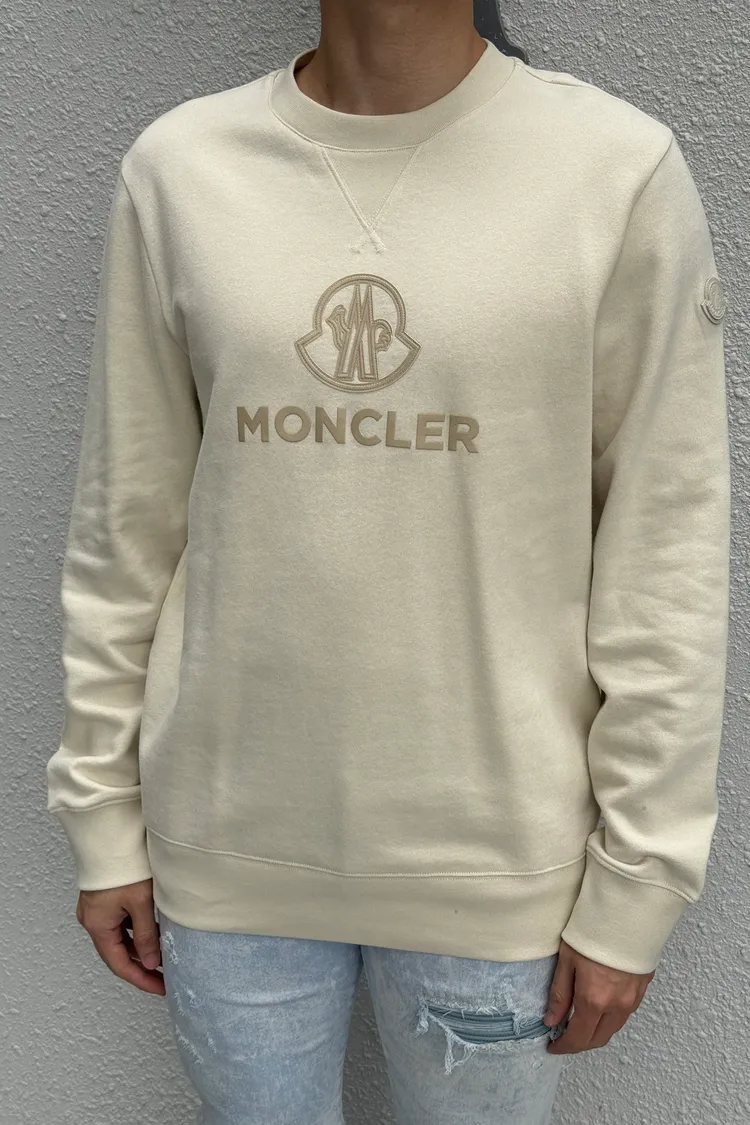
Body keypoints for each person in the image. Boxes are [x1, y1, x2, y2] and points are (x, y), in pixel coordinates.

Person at [46, 1, 732, 1121]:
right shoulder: (181, 170)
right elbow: (127, 527)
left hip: (495, 871)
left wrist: (640, 879)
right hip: (226, 856)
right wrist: (103, 812)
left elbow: (668, 559)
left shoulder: (613, 172)